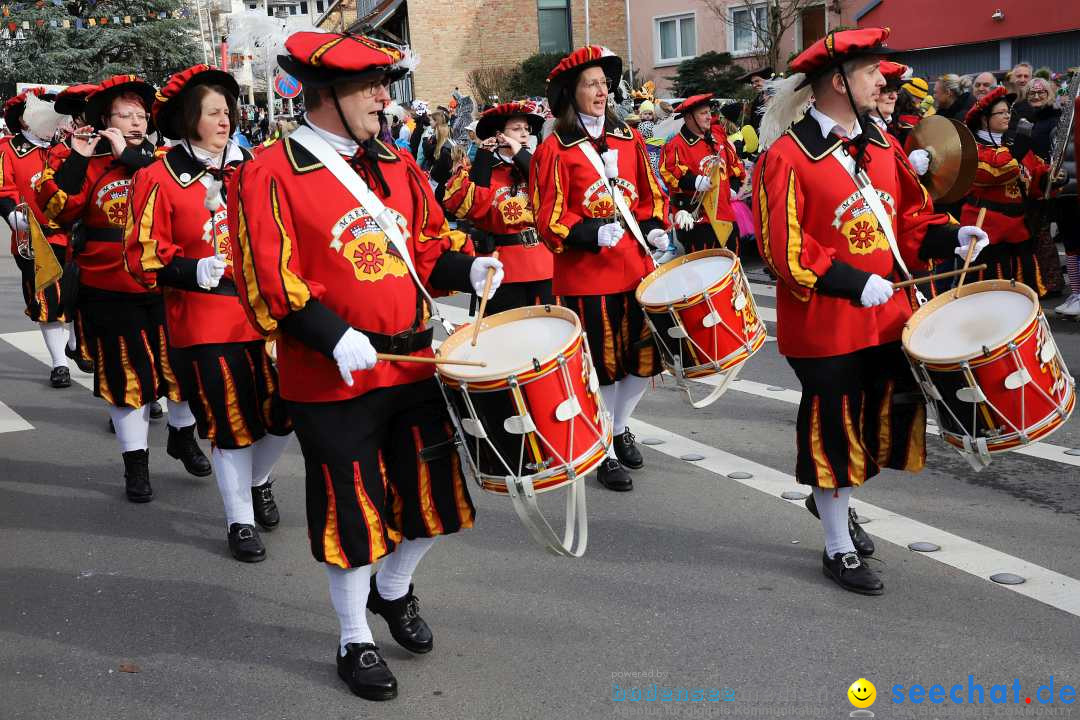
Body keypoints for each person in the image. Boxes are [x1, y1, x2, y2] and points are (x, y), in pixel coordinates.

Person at [230, 31, 504, 701]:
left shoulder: (398, 163)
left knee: (435, 497)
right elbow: (266, 277)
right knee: (352, 513)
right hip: (332, 376)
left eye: (385, 83)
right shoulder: (270, 169)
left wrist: (469, 265)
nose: (386, 97)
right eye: (370, 87)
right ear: (326, 95)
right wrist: (327, 332)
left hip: (411, 362)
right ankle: (353, 635)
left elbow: (429, 245)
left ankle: (394, 589)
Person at [754, 28, 989, 596]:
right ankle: (837, 545)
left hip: (886, 318)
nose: (882, 81)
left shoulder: (882, 147)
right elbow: (781, 248)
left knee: (876, 428)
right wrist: (851, 282)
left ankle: (829, 498)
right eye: (870, 74)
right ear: (840, 82)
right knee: (835, 433)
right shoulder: (786, 156)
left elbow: (909, 220)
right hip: (826, 326)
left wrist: (953, 238)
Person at [125, 65, 293, 562]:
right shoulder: (157, 176)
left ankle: (259, 481)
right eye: (213, 112)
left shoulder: (257, 166)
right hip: (203, 318)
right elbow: (141, 255)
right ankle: (238, 519)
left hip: (267, 317)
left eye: (228, 111)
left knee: (285, 417)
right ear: (188, 118)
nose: (226, 120)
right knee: (231, 424)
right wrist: (190, 269)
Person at [35, 75, 213, 501]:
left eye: (139, 115)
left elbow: (182, 193)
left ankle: (182, 434)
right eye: (123, 116)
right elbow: (56, 209)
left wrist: (131, 157)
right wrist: (79, 158)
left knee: (181, 371)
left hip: (166, 285)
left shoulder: (168, 159)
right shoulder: (86, 163)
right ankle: (136, 465)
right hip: (108, 288)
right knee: (127, 380)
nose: (134, 122)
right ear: (104, 121)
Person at [530, 46, 670, 492]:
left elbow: (650, 195)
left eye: (604, 84)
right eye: (592, 84)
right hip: (587, 279)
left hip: (634, 271)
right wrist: (589, 234)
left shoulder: (629, 139)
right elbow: (547, 216)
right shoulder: (555, 148)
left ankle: (616, 427)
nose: (602, 90)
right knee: (603, 371)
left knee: (640, 365)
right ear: (571, 93)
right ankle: (604, 450)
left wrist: (653, 228)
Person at [443, 101, 553, 314]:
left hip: (543, 264)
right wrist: (484, 155)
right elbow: (474, 207)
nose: (524, 133)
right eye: (516, 128)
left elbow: (548, 189)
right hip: (504, 268)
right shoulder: (484, 170)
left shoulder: (537, 164)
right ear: (500, 135)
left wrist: (520, 154)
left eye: (526, 129)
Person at [0, 88, 75, 388]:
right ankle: (59, 363)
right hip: (34, 237)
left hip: (71, 234)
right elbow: (3, 190)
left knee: (77, 294)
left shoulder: (68, 148)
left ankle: (74, 343)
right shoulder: (9, 149)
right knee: (47, 298)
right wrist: (14, 217)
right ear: (26, 120)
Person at [961, 86, 1060, 293]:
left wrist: (1051, 178)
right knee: (990, 292)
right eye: (1001, 112)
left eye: (1009, 111)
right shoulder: (972, 149)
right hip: (987, 229)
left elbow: (1033, 174)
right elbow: (994, 173)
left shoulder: (1012, 144)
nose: (1007, 116)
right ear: (984, 119)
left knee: (1023, 292)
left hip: (1018, 230)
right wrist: (1017, 151)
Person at [659, 93, 744, 253]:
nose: (708, 117)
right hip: (697, 220)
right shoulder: (676, 145)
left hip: (725, 215)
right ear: (689, 118)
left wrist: (731, 186)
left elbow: (734, 167)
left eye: (709, 113)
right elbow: (670, 174)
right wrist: (695, 181)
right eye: (703, 113)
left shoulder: (718, 138)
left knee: (733, 261)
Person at [738, 66, 774, 131]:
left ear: (766, 80)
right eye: (752, 83)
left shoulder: (776, 96)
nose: (754, 85)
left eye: (757, 81)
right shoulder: (757, 100)